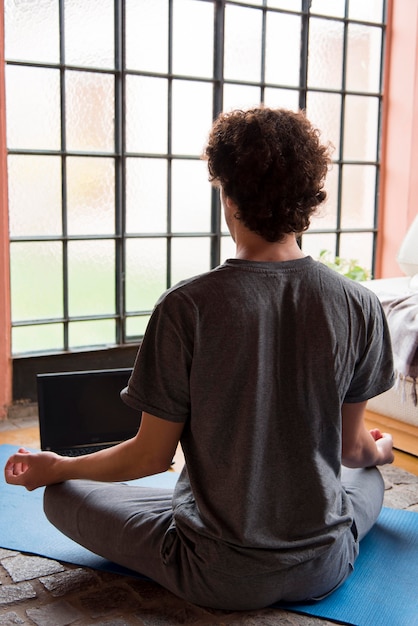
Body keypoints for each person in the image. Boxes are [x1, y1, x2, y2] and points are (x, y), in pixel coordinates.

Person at [4, 107, 395, 611]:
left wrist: (56, 466)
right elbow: (353, 452)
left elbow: (149, 458)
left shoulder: (186, 306)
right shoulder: (359, 303)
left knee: (61, 491)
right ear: (309, 199)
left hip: (217, 573)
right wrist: (379, 453)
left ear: (227, 196)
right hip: (325, 565)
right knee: (368, 475)